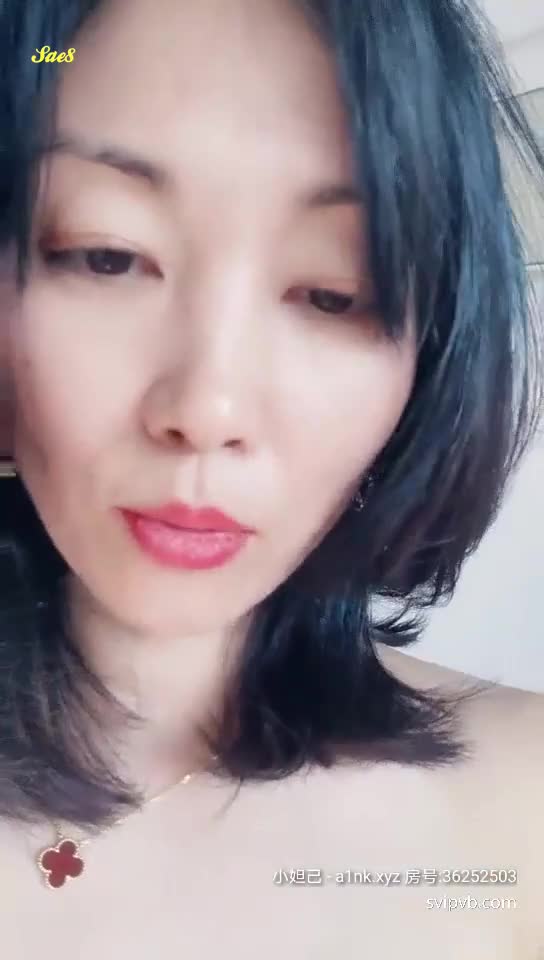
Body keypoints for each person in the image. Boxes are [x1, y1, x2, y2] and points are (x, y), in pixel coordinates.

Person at [0, 0, 542, 954]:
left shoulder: (520, 814)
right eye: (106, 255)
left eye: (333, 292)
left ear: (431, 353)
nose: (207, 408)